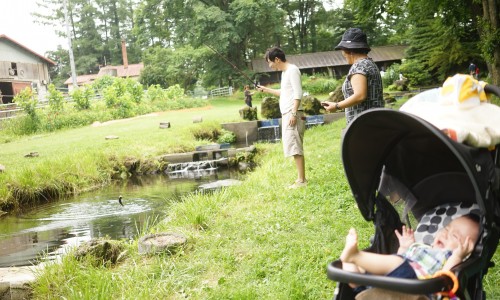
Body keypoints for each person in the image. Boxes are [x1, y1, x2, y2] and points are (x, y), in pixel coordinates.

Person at [340, 214, 480, 280]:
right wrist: (405, 247)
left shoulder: (449, 257)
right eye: (446, 228)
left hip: (414, 289)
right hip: (383, 283)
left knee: (398, 263)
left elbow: (447, 277)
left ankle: (354, 256)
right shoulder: (420, 247)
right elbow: (402, 258)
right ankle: (349, 263)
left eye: (454, 236)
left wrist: (457, 256)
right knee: (360, 276)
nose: (445, 234)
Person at [257, 47, 306, 189]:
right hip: (287, 113)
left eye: (270, 62)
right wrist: (266, 90)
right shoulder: (285, 73)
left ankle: (301, 181)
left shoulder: (292, 70)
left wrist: (293, 113)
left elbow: (298, 93)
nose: (270, 66)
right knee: (292, 145)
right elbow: (284, 93)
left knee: (295, 146)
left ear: (277, 59)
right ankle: (300, 179)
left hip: (293, 113)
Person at [321, 28, 384, 126]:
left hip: (363, 125)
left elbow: (360, 95)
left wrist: (337, 106)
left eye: (342, 50)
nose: (342, 54)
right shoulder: (370, 64)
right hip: (375, 122)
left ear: (349, 50)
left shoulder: (359, 66)